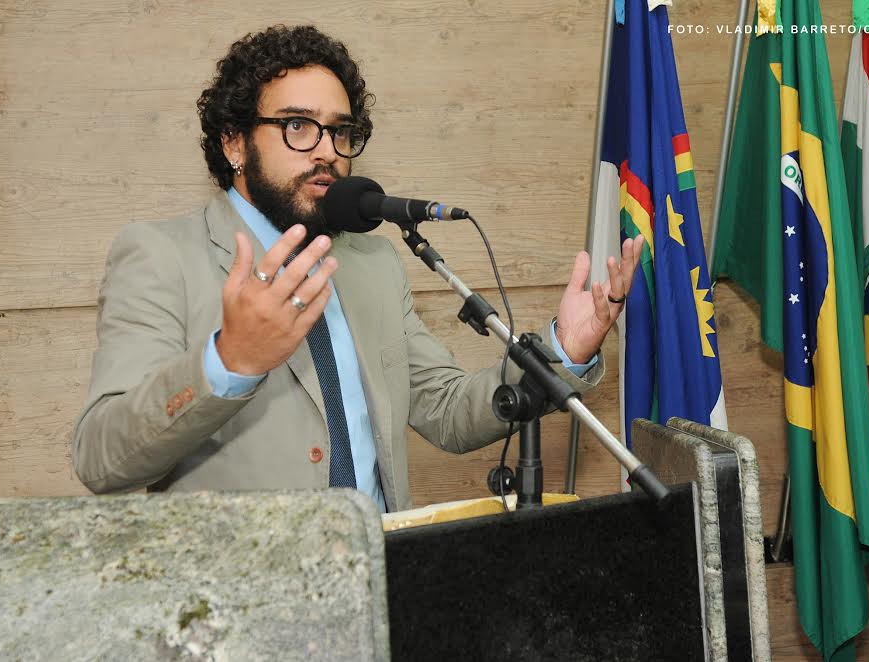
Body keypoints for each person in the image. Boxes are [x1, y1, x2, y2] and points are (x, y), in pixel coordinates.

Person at [71, 25, 644, 512]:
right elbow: (101, 458)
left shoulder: (372, 262)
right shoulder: (161, 256)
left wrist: (562, 349)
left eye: (341, 131)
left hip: (382, 580)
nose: (327, 150)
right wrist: (229, 361)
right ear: (234, 143)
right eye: (298, 126)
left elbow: (446, 410)